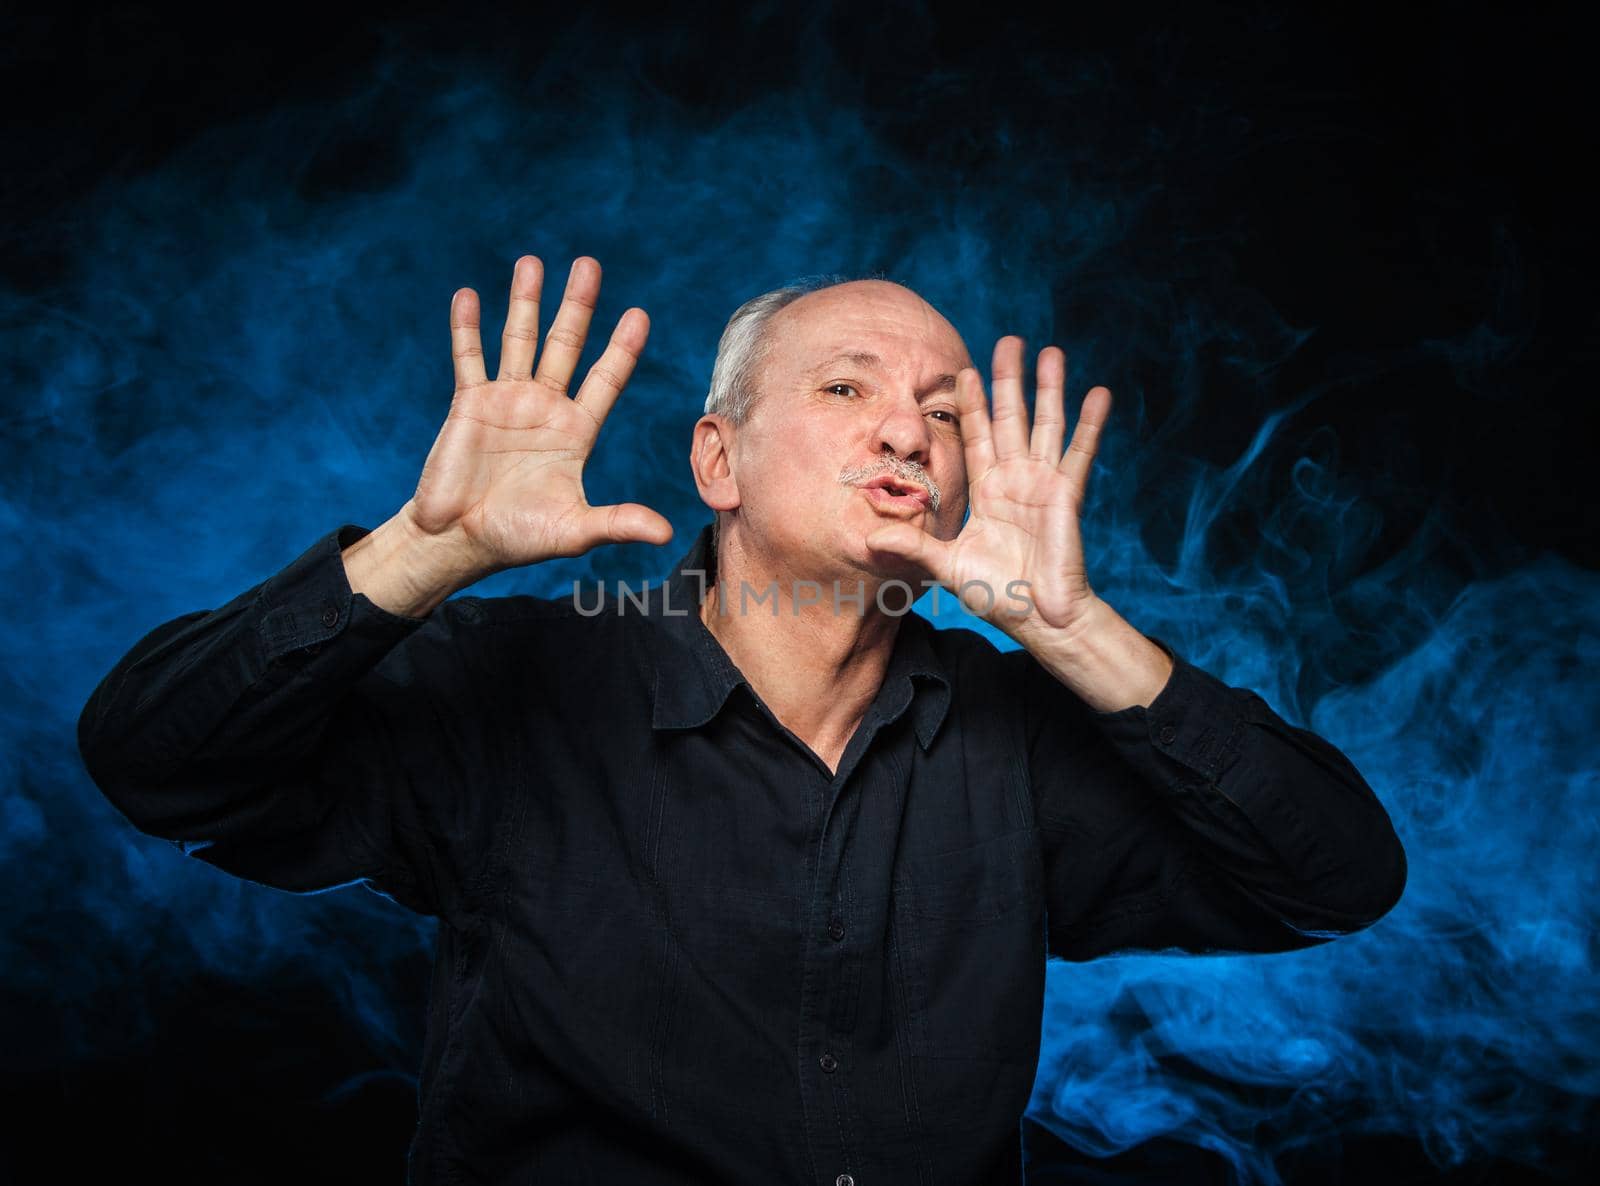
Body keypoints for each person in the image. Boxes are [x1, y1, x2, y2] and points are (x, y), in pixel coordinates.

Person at [77, 255, 1407, 1185]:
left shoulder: (1019, 734)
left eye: (945, 414)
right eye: (848, 389)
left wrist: (1067, 624)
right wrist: (421, 557)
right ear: (718, 459)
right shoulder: (526, 683)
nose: (909, 430)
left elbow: (1337, 874)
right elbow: (156, 758)